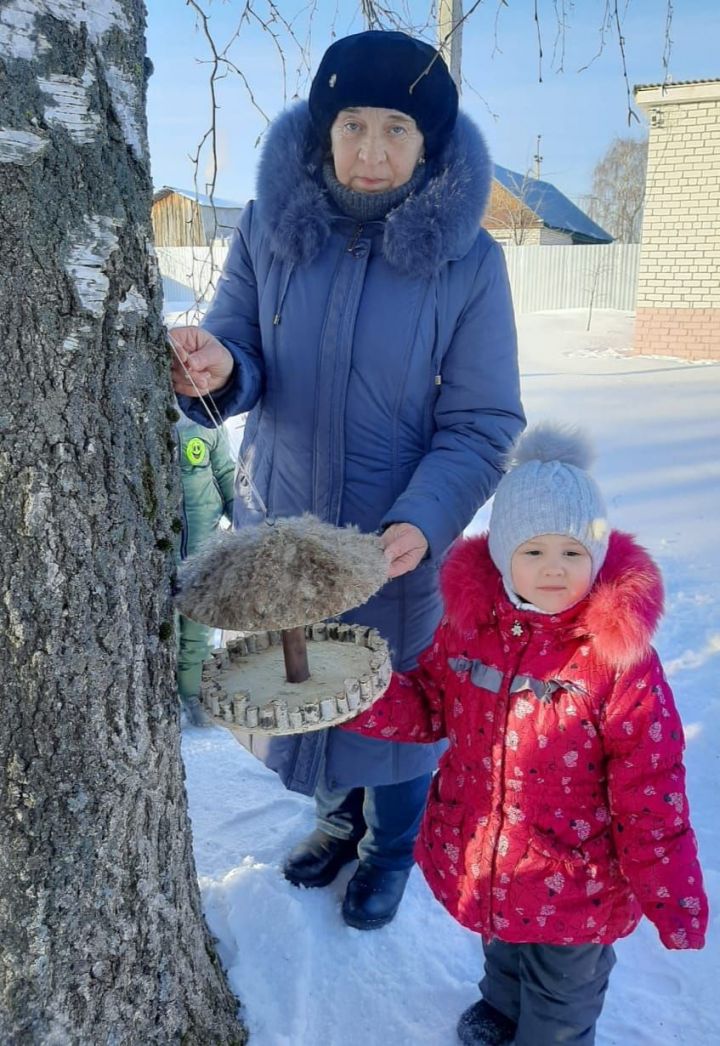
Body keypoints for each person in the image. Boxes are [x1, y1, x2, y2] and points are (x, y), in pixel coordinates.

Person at [170, 29, 525, 930]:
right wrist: (216, 368)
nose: (372, 151)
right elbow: (240, 351)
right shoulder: (266, 228)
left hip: (393, 546)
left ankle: (390, 846)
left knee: (395, 712)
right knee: (310, 688)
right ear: (324, 130)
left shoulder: (472, 263)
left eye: (397, 128)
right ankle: (335, 817)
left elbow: (482, 423)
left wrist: (424, 520)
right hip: (285, 532)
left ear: (430, 140)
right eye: (354, 125)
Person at [341, 422, 707, 1045]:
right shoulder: (468, 630)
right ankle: (501, 1005)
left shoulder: (617, 662)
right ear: (503, 553)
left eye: (572, 552)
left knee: (563, 993)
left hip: (579, 879)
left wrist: (671, 894)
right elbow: (430, 705)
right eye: (533, 552)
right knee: (503, 943)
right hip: (493, 856)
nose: (554, 570)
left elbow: (653, 790)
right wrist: (361, 694)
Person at [175, 414, 235, 727]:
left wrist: (242, 515)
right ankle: (164, 701)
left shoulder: (205, 421)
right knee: (165, 634)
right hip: (158, 552)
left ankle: (195, 698)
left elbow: (226, 473)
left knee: (198, 630)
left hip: (203, 547)